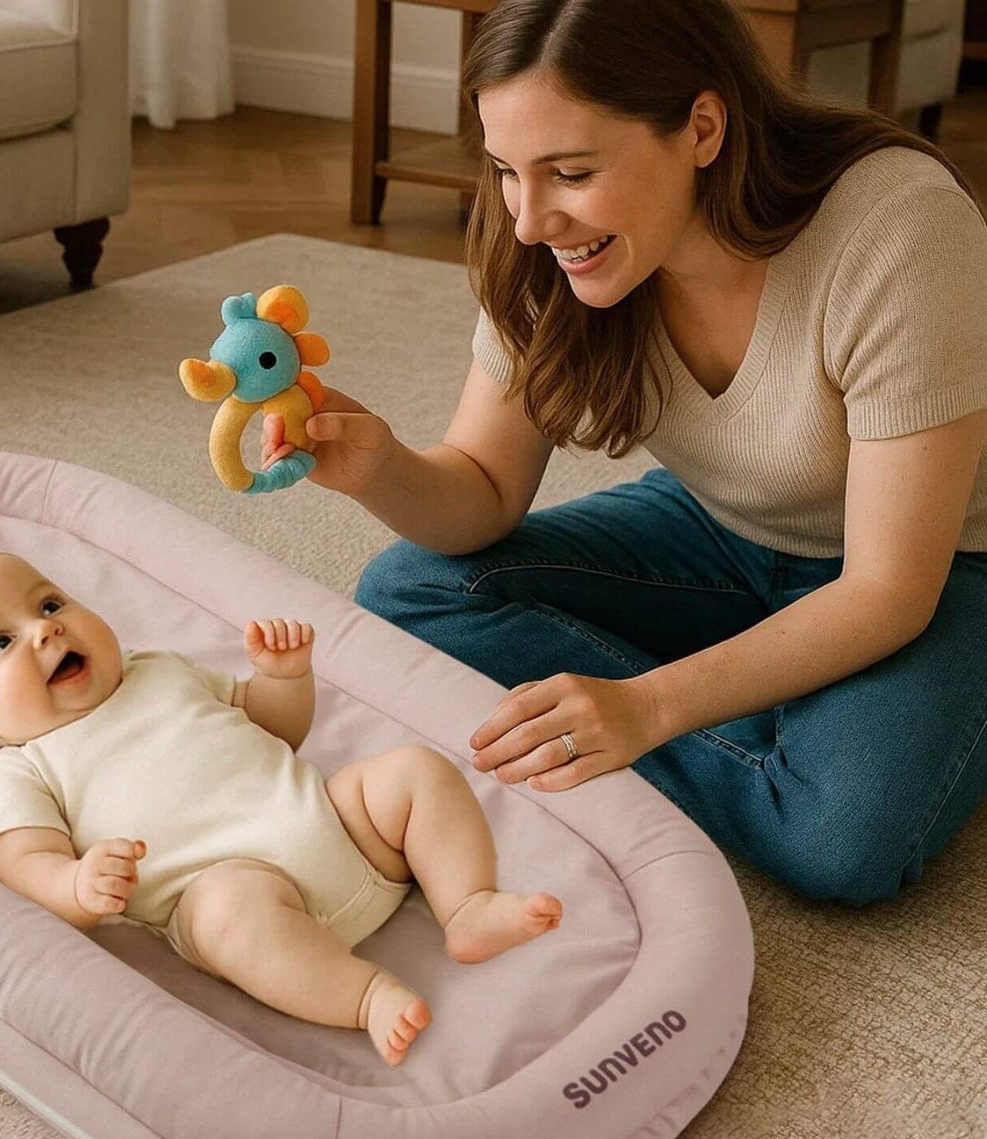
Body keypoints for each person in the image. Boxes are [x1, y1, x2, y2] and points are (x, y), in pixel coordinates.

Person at [262, 0, 987, 906]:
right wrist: (380, 469)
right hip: (720, 526)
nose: (529, 221)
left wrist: (648, 708)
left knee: (840, 838)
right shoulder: (543, 246)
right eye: (504, 172)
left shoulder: (897, 228)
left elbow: (887, 590)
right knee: (408, 593)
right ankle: (769, 714)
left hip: (942, 564)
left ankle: (769, 711)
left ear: (702, 127)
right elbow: (483, 490)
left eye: (569, 172)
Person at [0, 550, 562, 1066]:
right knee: (228, 912)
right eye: (0, 642)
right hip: (232, 888)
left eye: (48, 602)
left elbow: (273, 728)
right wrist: (75, 883)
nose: (43, 630)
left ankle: (466, 904)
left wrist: (282, 679)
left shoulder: (159, 669)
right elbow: (22, 863)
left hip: (335, 827)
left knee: (412, 770)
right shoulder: (21, 766)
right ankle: (360, 994)